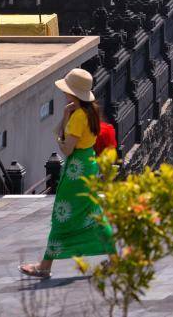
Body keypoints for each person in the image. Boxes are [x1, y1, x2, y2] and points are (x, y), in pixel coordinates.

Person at [19, 68, 115, 279]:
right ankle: (113, 257)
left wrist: (59, 134)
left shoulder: (78, 117)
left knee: (63, 215)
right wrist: (64, 115)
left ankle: (44, 266)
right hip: (88, 164)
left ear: (72, 94)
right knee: (92, 211)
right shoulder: (90, 113)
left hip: (76, 169)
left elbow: (67, 149)